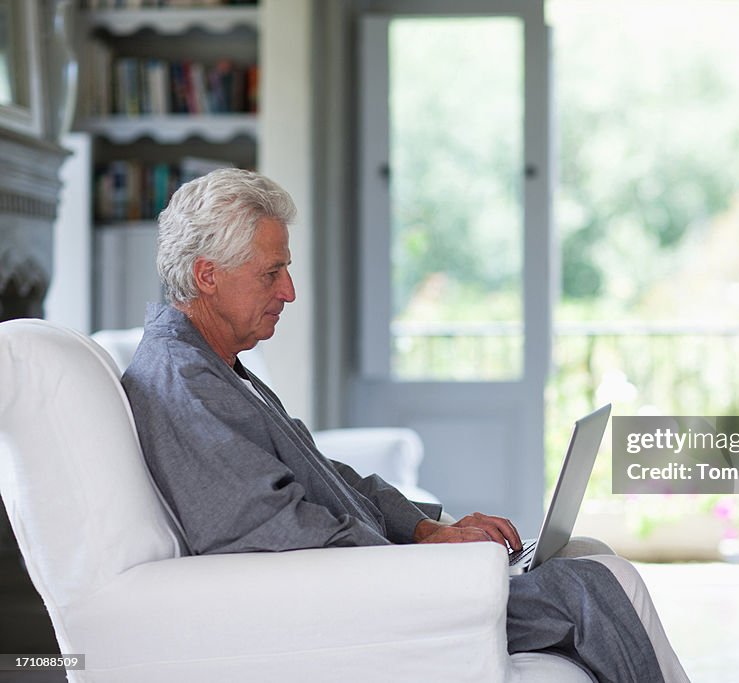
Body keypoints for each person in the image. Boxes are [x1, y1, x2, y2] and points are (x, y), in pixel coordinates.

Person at [122, 168, 690, 683]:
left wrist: (426, 529)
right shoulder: (183, 382)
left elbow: (326, 475)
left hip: (385, 576)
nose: (289, 291)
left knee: (585, 553)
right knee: (602, 585)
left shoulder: (216, 368)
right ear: (207, 275)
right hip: (373, 599)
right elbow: (272, 530)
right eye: (272, 273)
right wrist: (424, 559)